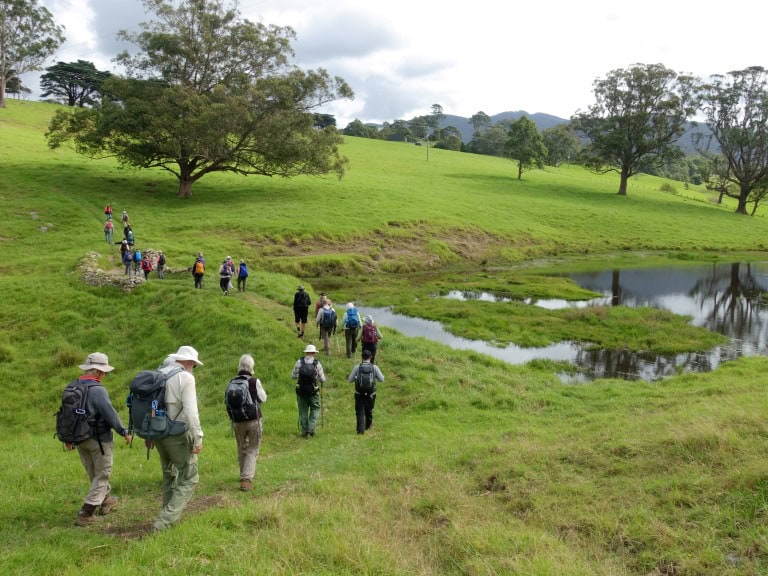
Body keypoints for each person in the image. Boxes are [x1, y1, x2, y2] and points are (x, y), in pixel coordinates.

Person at [65, 352, 132, 526]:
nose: (104, 375)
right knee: (102, 474)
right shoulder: (97, 390)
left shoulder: (72, 386)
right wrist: (123, 431)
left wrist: (69, 438)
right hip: (99, 440)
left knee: (94, 473)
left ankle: (106, 501)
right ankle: (86, 513)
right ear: (97, 372)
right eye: (104, 372)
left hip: (79, 438)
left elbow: (66, 417)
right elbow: (109, 413)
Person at [148, 345, 204, 532]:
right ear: (189, 362)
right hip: (177, 434)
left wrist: (149, 434)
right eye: (194, 365)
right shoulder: (185, 377)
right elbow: (190, 412)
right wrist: (198, 438)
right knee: (189, 477)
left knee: (169, 473)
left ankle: (167, 513)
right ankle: (164, 523)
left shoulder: (158, 374)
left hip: (157, 433)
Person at [226, 354, 267, 491]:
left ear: (240, 366)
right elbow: (263, 398)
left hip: (237, 420)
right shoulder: (254, 381)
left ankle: (243, 474)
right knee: (253, 448)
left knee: (241, 447)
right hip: (253, 419)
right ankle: (246, 479)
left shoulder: (231, 382)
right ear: (251, 367)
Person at [291, 344, 326, 437]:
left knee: (303, 410)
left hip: (301, 391)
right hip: (313, 391)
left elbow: (293, 376)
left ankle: (304, 431)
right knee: (315, 408)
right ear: (314, 353)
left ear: (306, 352)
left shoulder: (299, 362)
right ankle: (310, 430)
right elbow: (322, 379)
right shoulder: (317, 363)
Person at [347, 349, 385, 435]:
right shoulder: (374, 367)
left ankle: (360, 430)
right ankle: (368, 426)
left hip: (359, 393)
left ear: (361, 357)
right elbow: (381, 380)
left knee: (360, 411)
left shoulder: (357, 367)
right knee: (369, 410)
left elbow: (350, 380)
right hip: (371, 393)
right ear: (371, 357)